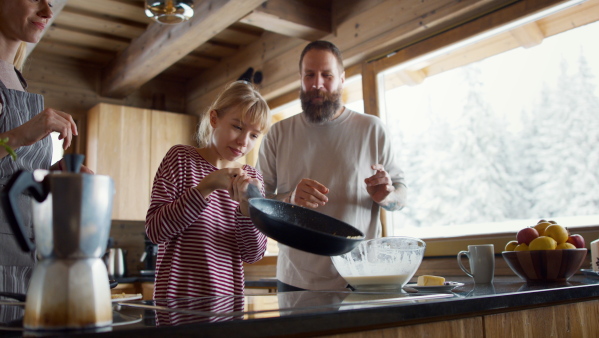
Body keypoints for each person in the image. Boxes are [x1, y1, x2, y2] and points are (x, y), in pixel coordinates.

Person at [256, 40, 407, 292]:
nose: (317, 84)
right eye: (309, 75)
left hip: (361, 276)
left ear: (342, 79)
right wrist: (290, 198)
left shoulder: (372, 129)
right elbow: (259, 204)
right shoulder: (277, 134)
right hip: (296, 279)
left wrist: (387, 195)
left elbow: (402, 197)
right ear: (300, 78)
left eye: (327, 75)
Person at [0, 0, 92, 306]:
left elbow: (11, 172)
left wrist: (51, 175)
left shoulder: (17, 81)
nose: (48, 12)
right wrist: (20, 135)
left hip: (26, 257)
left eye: (51, 1)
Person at [146, 80, 270, 298]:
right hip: (177, 305)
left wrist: (246, 208)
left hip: (227, 307)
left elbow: (254, 254)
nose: (243, 141)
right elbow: (156, 232)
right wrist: (205, 187)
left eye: (254, 135)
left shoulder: (253, 179)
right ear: (214, 118)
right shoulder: (181, 159)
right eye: (237, 126)